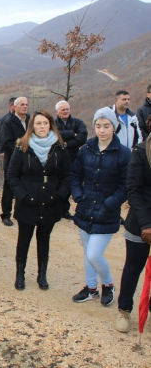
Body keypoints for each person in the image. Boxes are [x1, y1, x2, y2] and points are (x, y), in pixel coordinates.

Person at [71, 107, 131, 305]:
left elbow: (126, 185)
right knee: (88, 252)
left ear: (114, 127)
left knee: (94, 254)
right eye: (98, 126)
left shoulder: (123, 154)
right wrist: (78, 196)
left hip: (106, 211)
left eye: (106, 126)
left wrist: (111, 204)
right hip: (86, 208)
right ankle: (91, 288)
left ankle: (108, 284)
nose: (102, 130)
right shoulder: (85, 149)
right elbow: (75, 175)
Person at [7, 110, 70, 290]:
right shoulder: (22, 147)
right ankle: (20, 274)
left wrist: (59, 195)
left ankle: (42, 275)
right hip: (28, 202)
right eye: (38, 123)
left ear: (50, 125)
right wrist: (23, 195)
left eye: (45, 123)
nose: (42, 127)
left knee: (44, 240)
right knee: (24, 239)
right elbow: (12, 176)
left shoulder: (59, 147)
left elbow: (67, 175)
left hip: (50, 202)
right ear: (32, 126)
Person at [114, 136, 151, 332]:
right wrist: (146, 224)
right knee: (133, 267)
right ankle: (124, 310)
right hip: (140, 221)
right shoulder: (141, 151)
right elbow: (134, 190)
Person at [54, 100, 88, 219]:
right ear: (57, 111)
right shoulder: (52, 123)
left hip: (73, 159)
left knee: (68, 185)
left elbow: (83, 136)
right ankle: (55, 209)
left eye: (67, 109)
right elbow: (53, 136)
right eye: (63, 109)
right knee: (56, 184)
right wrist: (71, 133)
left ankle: (64, 209)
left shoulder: (77, 122)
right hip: (56, 159)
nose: (65, 111)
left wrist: (66, 144)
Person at [0, 97, 30, 226]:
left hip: (29, 161)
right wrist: (20, 153)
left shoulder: (30, 120)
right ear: (15, 106)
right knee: (9, 188)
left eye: (26, 104)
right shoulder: (8, 122)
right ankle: (6, 215)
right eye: (22, 104)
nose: (25, 107)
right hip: (12, 161)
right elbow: (6, 143)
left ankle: (23, 213)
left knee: (26, 186)